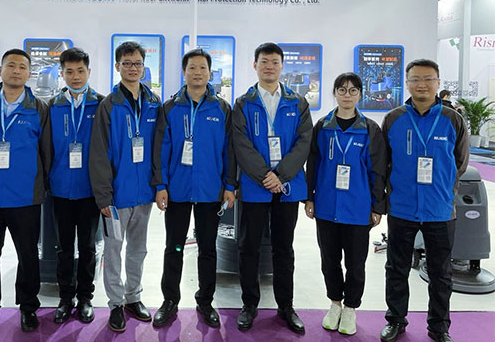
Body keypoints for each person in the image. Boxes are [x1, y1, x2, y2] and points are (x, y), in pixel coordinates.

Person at [380, 59, 469, 342]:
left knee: (441, 273)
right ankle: (395, 320)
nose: (422, 84)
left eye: (428, 79)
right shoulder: (393, 119)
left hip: (440, 209)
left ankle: (439, 327)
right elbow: (384, 163)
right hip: (402, 207)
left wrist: (443, 189)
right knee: (396, 269)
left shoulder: (453, 119)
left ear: (438, 83)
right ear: (407, 83)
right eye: (416, 79)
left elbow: (460, 162)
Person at [0, 49, 51, 334]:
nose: (16, 70)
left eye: (22, 67)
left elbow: (46, 152)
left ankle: (28, 307)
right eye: (11, 65)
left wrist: (41, 187)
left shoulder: (38, 108)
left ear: (29, 74)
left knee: (27, 255)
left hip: (24, 197)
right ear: (0, 70)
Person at [151, 49, 237, 328]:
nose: (197, 72)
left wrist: (229, 186)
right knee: (173, 247)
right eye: (192, 68)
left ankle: (206, 301)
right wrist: (161, 185)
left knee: (207, 249)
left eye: (202, 68)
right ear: (184, 72)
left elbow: (229, 151)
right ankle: (170, 300)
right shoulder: (170, 108)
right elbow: (161, 150)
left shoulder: (222, 108)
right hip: (177, 190)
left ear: (210, 73)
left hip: (210, 191)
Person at [231, 42, 312, 333]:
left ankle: (286, 306)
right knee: (248, 247)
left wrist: (281, 175)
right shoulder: (243, 103)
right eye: (264, 61)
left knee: (283, 249)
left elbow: (304, 141)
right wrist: (266, 175)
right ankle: (249, 304)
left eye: (275, 62)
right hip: (255, 187)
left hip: (287, 187)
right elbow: (240, 144)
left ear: (282, 66)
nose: (269, 66)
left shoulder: (297, 102)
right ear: (255, 65)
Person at [304, 72, 387, 335]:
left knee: (355, 263)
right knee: (329, 260)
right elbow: (313, 164)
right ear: (335, 93)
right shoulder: (323, 127)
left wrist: (377, 206)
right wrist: (309, 197)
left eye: (352, 90)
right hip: (326, 206)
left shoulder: (370, 129)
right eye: (342, 90)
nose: (347, 95)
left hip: (358, 208)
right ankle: (335, 304)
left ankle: (351, 307)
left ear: (360, 94)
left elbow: (377, 170)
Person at [89, 41, 161, 332]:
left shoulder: (154, 102)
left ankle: (133, 296)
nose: (133, 68)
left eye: (137, 63)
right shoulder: (109, 105)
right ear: (117, 66)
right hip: (117, 197)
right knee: (113, 251)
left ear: (144, 67)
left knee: (138, 249)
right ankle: (116, 303)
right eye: (127, 63)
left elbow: (159, 149)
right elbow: (99, 153)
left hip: (144, 194)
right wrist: (104, 196)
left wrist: (159, 185)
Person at [48, 48, 104, 324]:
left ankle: (85, 297)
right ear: (62, 73)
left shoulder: (101, 105)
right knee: (64, 248)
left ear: (88, 72)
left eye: (80, 70)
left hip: (90, 190)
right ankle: (65, 298)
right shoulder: (52, 106)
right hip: (60, 189)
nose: (76, 76)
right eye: (69, 71)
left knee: (88, 247)